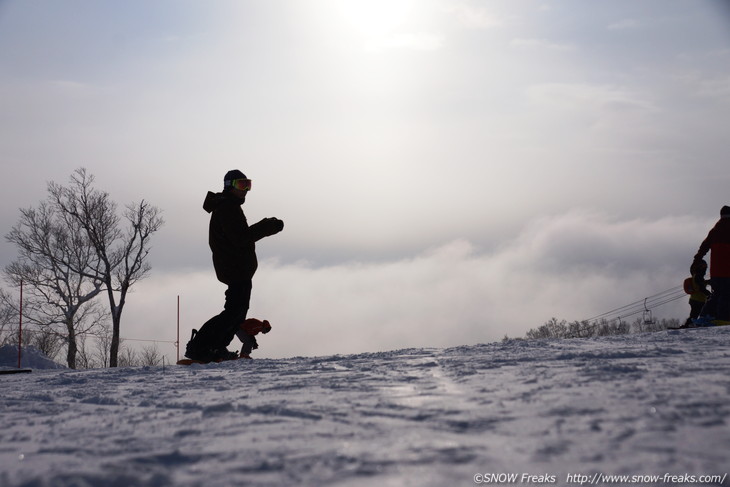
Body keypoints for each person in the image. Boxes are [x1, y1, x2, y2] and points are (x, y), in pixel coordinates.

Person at [185, 170, 284, 362]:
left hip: (237, 268)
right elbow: (241, 237)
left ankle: (215, 347)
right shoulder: (227, 208)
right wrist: (267, 226)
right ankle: (200, 347)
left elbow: (239, 237)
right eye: (241, 185)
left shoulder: (228, 206)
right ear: (229, 185)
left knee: (237, 313)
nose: (245, 190)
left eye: (248, 185)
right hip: (235, 268)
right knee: (233, 312)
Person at [693, 205, 730, 324]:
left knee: (716, 294)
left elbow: (704, 246)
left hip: (716, 271)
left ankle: (705, 316)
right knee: (726, 294)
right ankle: (723, 318)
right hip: (728, 270)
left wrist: (697, 259)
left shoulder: (714, 230)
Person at [682, 259, 710, 327]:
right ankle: (688, 325)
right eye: (703, 267)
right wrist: (709, 294)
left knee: (695, 314)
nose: (704, 270)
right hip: (698, 300)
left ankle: (688, 325)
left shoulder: (697, 276)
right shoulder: (698, 276)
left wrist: (709, 282)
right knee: (696, 314)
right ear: (699, 268)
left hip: (696, 299)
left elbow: (701, 284)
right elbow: (701, 288)